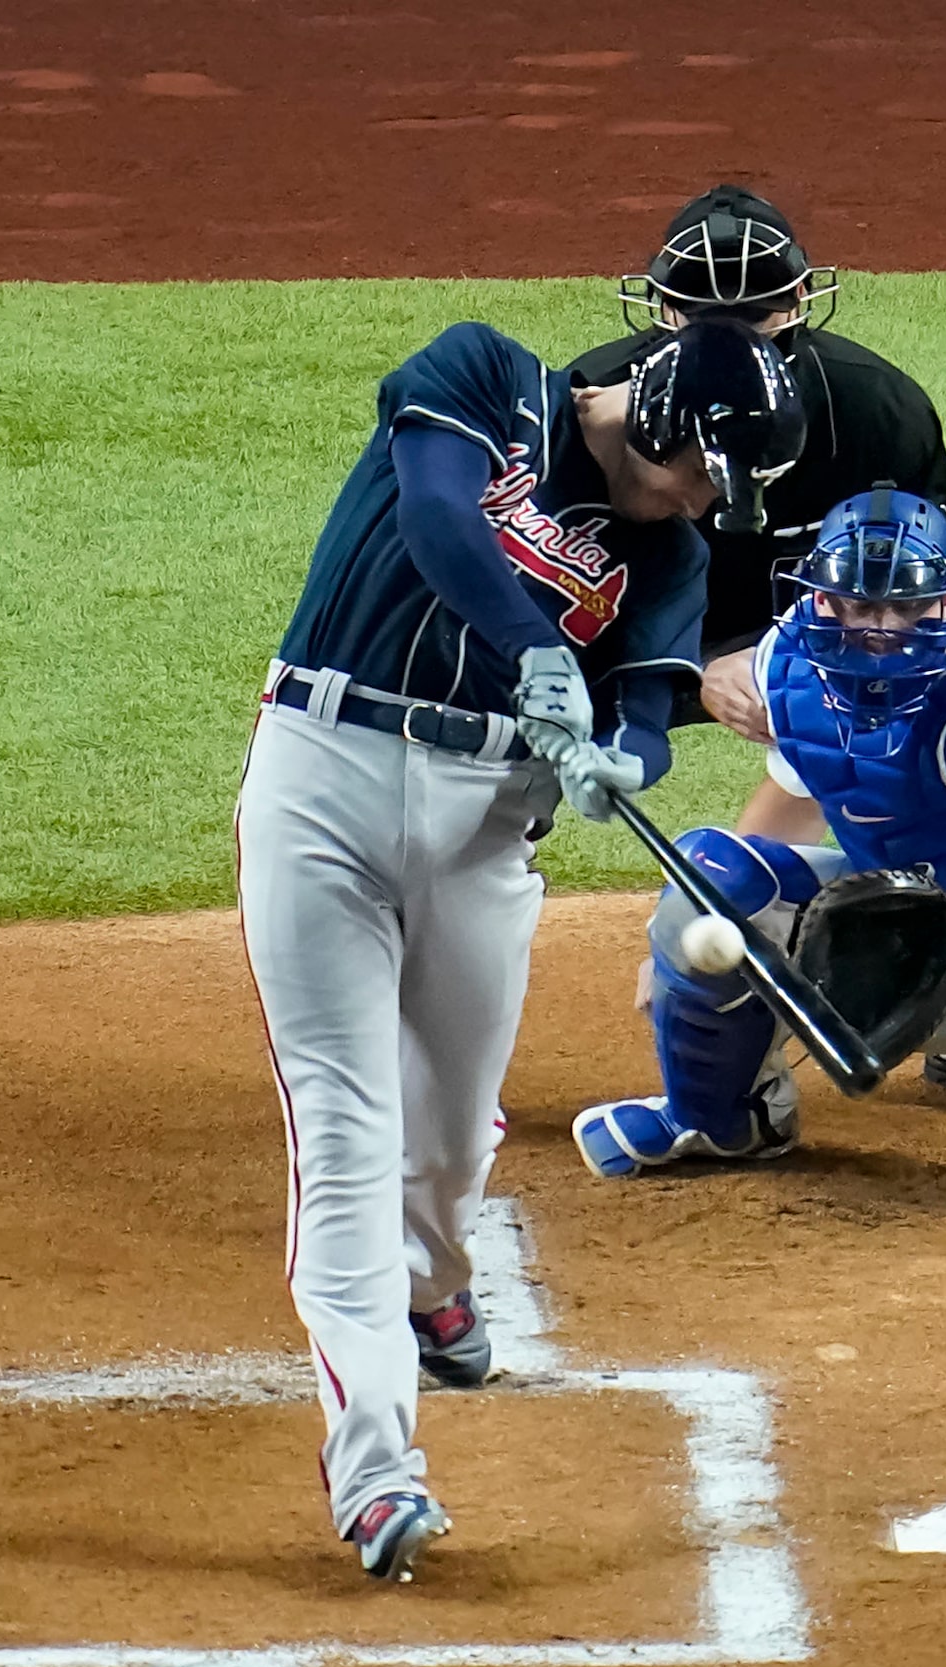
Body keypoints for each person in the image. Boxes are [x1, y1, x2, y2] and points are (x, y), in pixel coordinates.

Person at [238, 315, 806, 1582]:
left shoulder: (673, 552)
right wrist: (538, 646)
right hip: (321, 777)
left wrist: (619, 761)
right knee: (345, 1128)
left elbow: (650, 712)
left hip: (488, 826)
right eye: (707, 470)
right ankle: (377, 1470)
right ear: (661, 421)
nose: (710, 499)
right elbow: (441, 519)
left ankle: (439, 1284)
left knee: (450, 1133)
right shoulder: (483, 378)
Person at [569, 487, 946, 1214]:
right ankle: (720, 1118)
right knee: (711, 874)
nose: (881, 630)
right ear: (824, 601)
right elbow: (778, 819)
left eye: (905, 608)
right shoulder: (795, 670)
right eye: (860, 606)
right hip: (882, 942)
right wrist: (686, 951)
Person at [568, 186, 946, 744]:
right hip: (639, 664)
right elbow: (548, 605)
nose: (727, 341)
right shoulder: (593, 408)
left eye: (753, 317)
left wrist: (793, 660)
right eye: (702, 317)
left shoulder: (880, 408)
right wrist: (689, 672)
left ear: (800, 298)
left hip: (822, 652)